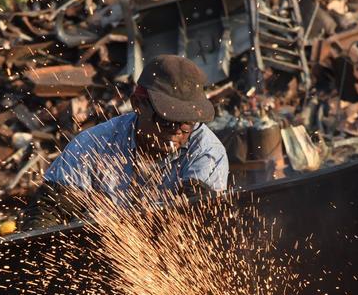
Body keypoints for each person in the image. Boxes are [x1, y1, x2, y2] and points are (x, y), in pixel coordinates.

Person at [27, 55, 228, 227]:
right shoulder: (93, 145)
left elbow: (204, 219)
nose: (178, 130)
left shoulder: (206, 151)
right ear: (138, 104)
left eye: (188, 122)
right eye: (167, 120)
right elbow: (49, 208)